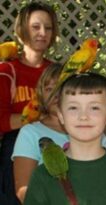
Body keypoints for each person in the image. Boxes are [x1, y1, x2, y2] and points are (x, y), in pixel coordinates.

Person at [24, 73, 106, 205]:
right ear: (61, 116)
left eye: (94, 108)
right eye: (73, 108)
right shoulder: (43, 176)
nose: (83, 116)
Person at [12, 63, 106, 203]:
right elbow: (24, 190)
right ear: (40, 93)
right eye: (49, 89)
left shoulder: (94, 133)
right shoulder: (30, 133)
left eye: (62, 88)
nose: (55, 94)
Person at [0, 2, 59, 204]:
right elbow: (2, 121)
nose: (42, 32)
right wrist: (42, 116)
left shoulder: (56, 72)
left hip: (56, 142)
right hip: (15, 147)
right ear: (22, 30)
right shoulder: (7, 71)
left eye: (48, 27)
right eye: (35, 26)